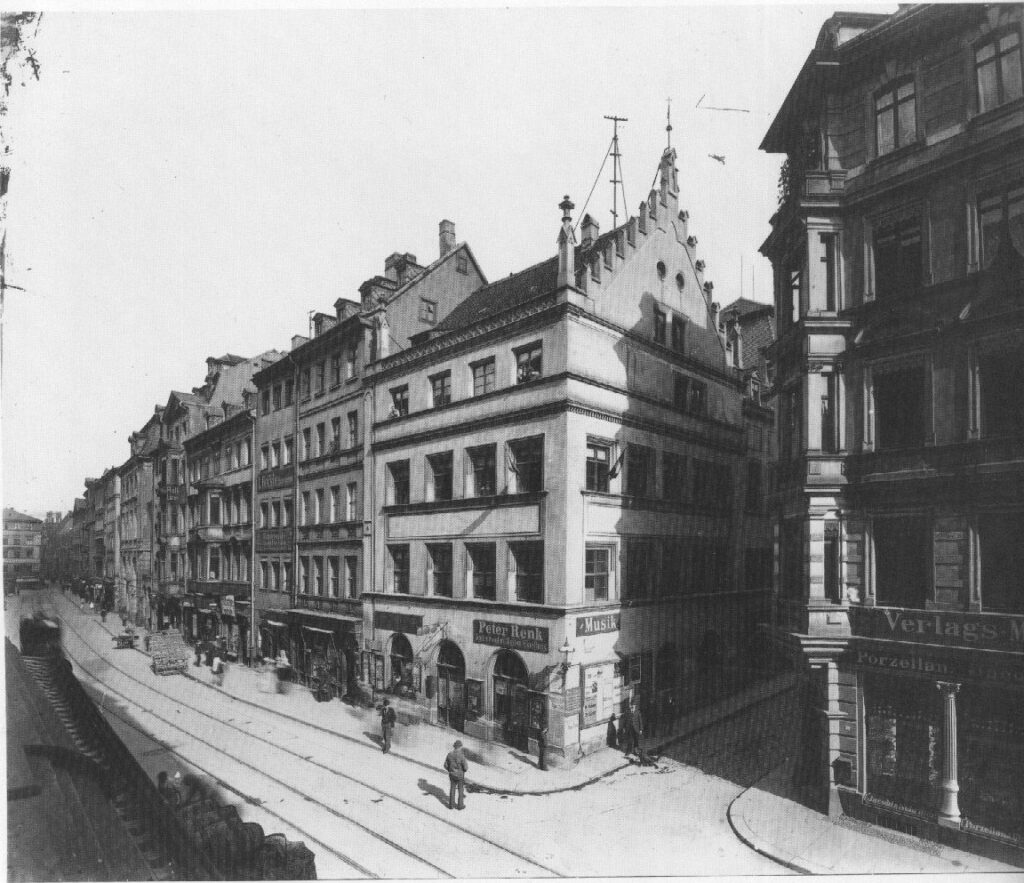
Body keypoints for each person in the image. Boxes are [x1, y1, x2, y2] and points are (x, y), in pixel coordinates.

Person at [444, 740, 468, 810]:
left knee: (452, 788)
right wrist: (463, 770)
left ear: (454, 746)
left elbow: (445, 765)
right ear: (460, 747)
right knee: (460, 790)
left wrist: (450, 770)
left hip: (452, 775)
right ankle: (460, 806)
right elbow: (466, 767)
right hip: (460, 775)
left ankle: (451, 805)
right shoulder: (461, 756)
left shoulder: (449, 754)